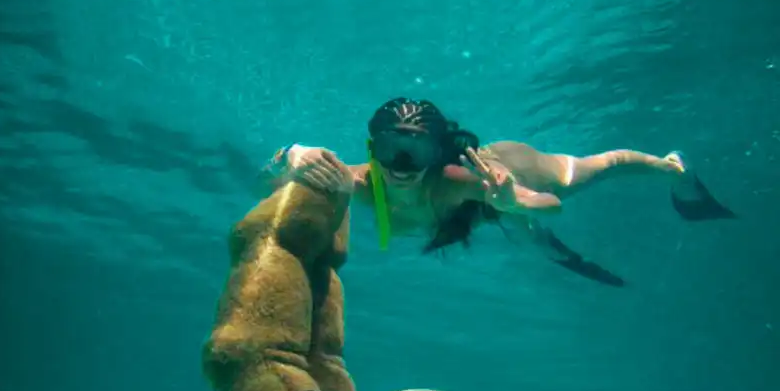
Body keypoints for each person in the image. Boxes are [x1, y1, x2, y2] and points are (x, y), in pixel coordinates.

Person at [259, 98, 734, 285]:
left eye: (416, 152)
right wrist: (291, 155)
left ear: (438, 151)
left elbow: (546, 205)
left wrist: (511, 199)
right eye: (390, 149)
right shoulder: (353, 181)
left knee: (592, 173)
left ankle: (675, 170)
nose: (402, 166)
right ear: (372, 146)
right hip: (488, 202)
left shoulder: (459, 180)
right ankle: (546, 248)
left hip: (506, 174)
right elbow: (269, 180)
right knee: (528, 239)